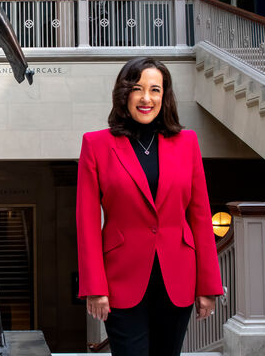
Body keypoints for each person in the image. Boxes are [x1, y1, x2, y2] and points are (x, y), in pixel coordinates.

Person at [76, 57, 223, 356]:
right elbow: (87, 221)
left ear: (164, 95)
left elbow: (199, 216)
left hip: (177, 278)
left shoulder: (188, 143)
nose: (146, 98)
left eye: (155, 90)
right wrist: (94, 286)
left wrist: (208, 285)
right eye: (138, 89)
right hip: (121, 281)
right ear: (124, 94)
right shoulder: (96, 145)